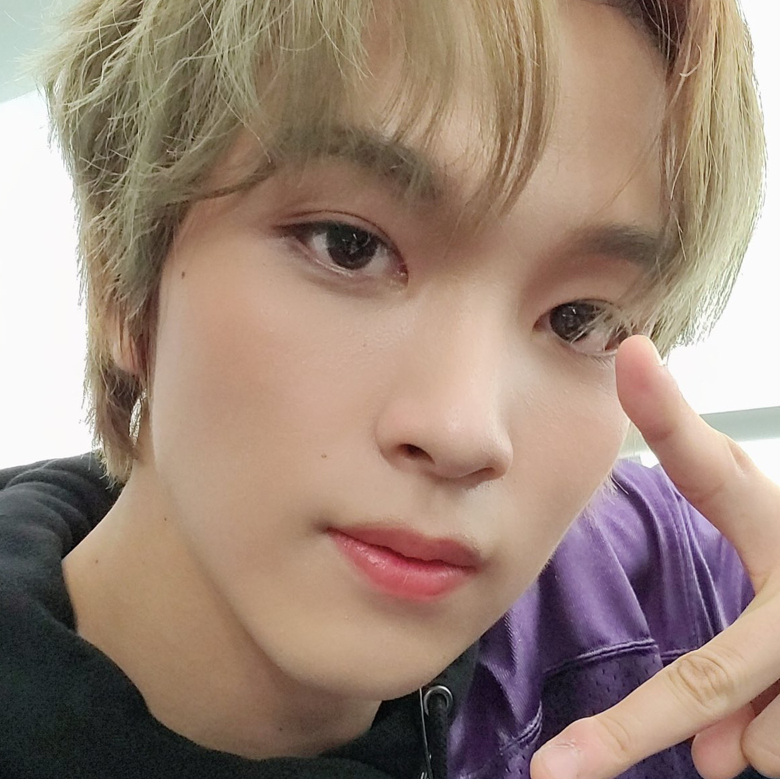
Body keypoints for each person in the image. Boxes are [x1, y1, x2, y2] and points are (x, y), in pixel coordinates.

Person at [0, 0, 776, 778]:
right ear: (119, 274)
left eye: (581, 318)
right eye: (349, 246)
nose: (464, 430)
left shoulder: (680, 590)